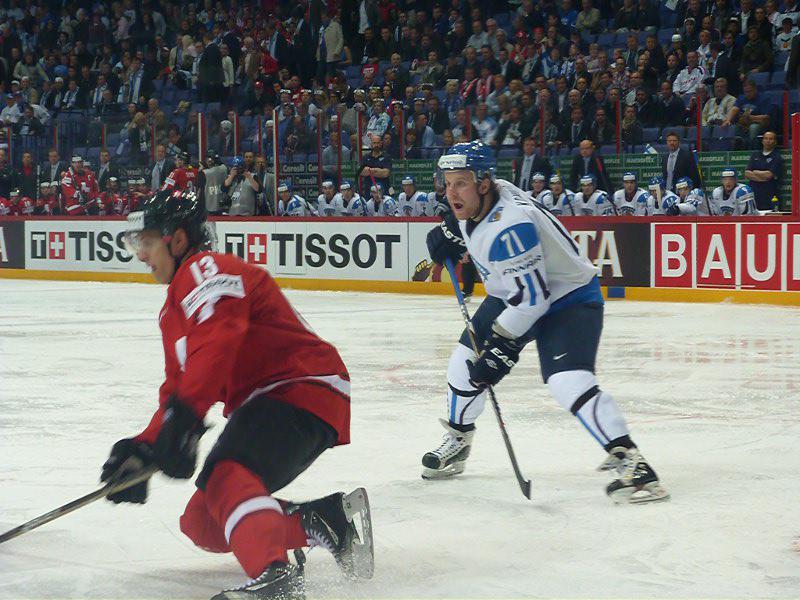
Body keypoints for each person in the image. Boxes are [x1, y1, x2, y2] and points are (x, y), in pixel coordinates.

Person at [106, 190, 372, 600]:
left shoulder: (204, 269)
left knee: (226, 474)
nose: (141, 254)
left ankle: (276, 580)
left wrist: (186, 417)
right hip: (282, 398)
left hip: (299, 386)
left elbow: (219, 339)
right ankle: (324, 520)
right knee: (203, 521)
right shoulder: (173, 310)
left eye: (148, 241)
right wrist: (144, 448)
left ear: (178, 240)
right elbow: (178, 388)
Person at [422, 141, 668, 503]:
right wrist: (449, 230)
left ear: (484, 183)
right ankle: (459, 439)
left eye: (461, 183)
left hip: (568, 298)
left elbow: (533, 301)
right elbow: (480, 232)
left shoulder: (511, 227)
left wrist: (501, 348)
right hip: (515, 293)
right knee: (462, 364)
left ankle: (634, 465)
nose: (451, 192)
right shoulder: (492, 195)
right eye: (447, 183)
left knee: (568, 381)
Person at [744, 130, 783, 211]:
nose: (768, 141)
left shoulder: (777, 157)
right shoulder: (755, 155)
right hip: (754, 194)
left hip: (770, 194)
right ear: (762, 141)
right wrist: (762, 179)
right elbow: (747, 173)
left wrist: (755, 172)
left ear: (775, 142)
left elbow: (769, 175)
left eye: (770, 139)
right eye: (766, 138)